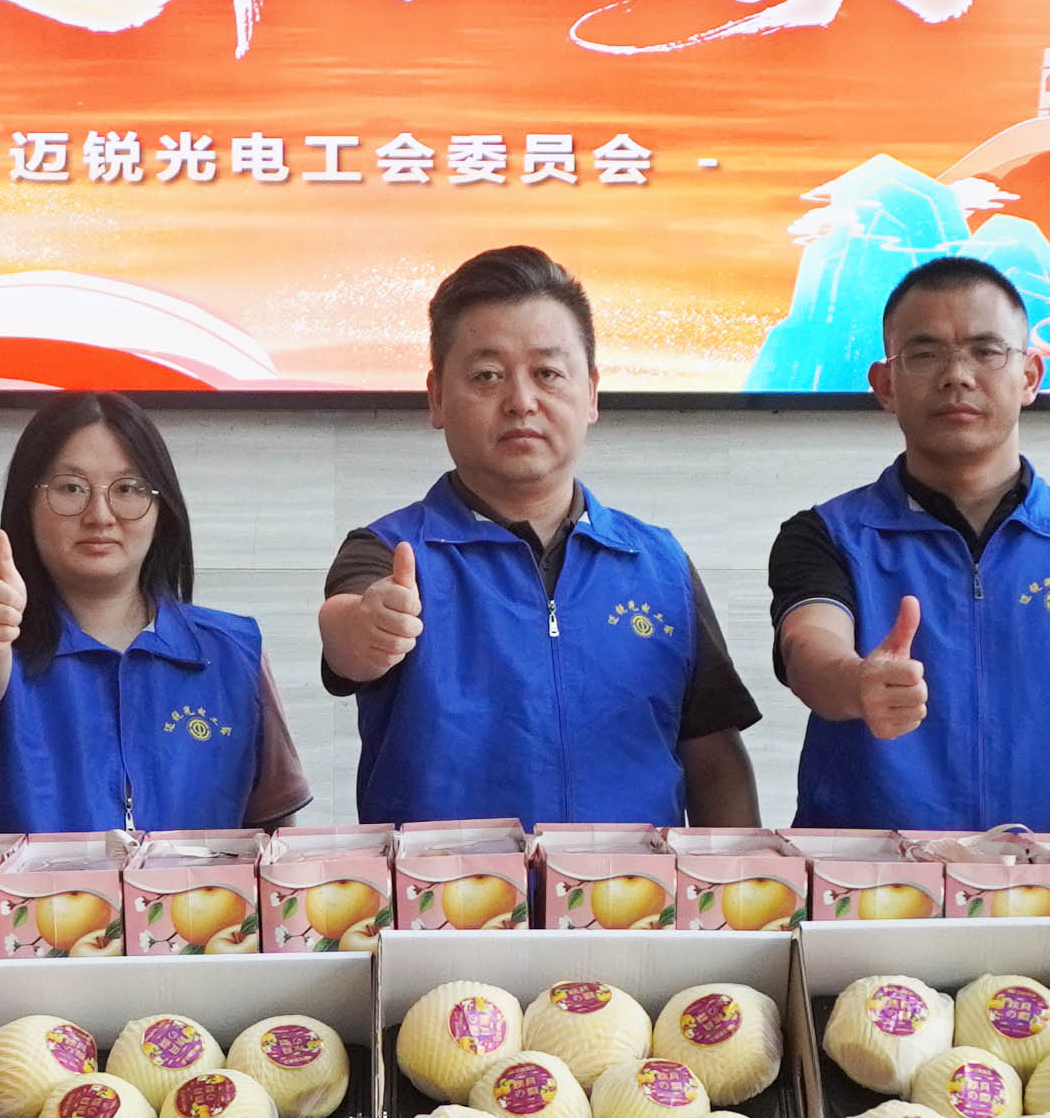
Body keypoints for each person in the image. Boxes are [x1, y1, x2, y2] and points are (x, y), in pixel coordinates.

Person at [313, 245, 761, 824]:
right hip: (445, 883)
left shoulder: (659, 563)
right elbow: (345, 634)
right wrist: (370, 628)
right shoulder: (388, 551)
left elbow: (715, 760)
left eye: (547, 373)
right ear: (437, 397)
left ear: (591, 393)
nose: (521, 402)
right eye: (487, 376)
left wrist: (739, 874)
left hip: (631, 883)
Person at [770, 255, 1050, 832]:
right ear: (886, 386)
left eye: (986, 351)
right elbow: (808, 647)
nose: (957, 376)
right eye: (925, 354)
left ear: (1030, 377)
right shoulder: (826, 535)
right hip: (873, 880)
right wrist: (858, 683)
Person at [0, 393, 310, 831]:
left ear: (162, 508)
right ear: (27, 504)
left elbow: (276, 832)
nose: (99, 516)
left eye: (127, 489)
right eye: (71, 488)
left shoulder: (236, 651)